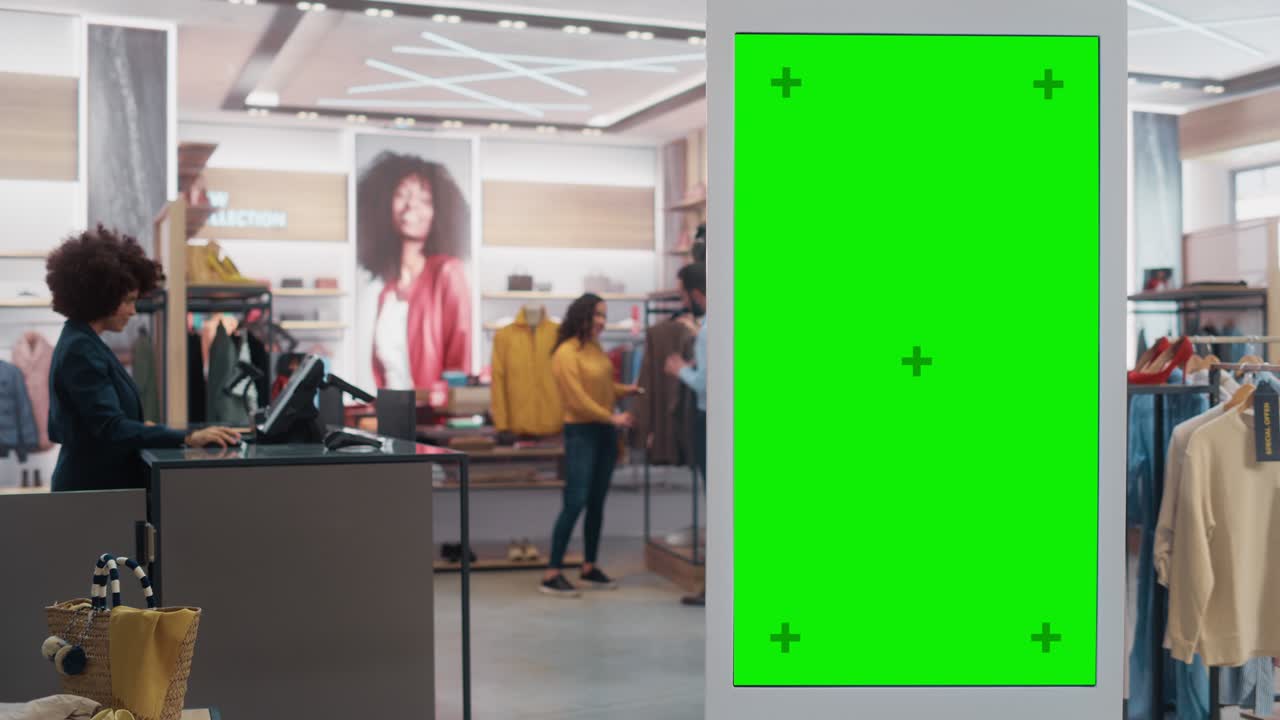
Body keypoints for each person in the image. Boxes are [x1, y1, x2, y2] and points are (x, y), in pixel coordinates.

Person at [45, 226, 240, 493]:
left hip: (97, 486)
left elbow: (100, 421)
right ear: (103, 296)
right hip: (91, 490)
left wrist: (142, 426)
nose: (133, 311)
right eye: (127, 301)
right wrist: (188, 436)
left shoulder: (83, 341)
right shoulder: (81, 349)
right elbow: (110, 429)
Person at [541, 294, 640, 597]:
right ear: (581, 315)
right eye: (596, 315)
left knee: (597, 502)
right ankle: (552, 572)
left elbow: (603, 388)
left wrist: (628, 390)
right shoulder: (565, 353)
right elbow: (577, 400)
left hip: (604, 432)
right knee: (576, 501)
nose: (601, 321)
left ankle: (589, 567)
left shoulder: (594, 347)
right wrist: (613, 418)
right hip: (582, 432)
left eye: (604, 315)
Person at [357, 151, 472, 390]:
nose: (411, 206)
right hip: (390, 413)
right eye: (402, 195)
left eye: (425, 199)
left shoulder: (448, 274)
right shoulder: (384, 292)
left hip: (429, 418)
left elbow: (460, 360)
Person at [665, 262, 707, 606]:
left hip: (710, 421)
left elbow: (707, 386)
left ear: (695, 294)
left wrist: (681, 370)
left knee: (718, 504)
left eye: (681, 294)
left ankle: (714, 588)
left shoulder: (708, 332)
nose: (681, 301)